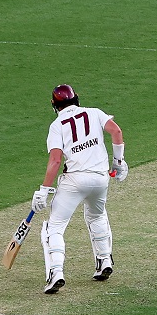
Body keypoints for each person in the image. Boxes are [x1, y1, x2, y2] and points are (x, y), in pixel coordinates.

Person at [31, 84, 126, 294]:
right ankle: (104, 260)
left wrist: (44, 190)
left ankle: (56, 273)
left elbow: (55, 161)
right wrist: (118, 162)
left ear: (54, 104)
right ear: (76, 99)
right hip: (100, 179)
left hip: (74, 180)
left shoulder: (57, 125)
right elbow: (116, 131)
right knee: (97, 216)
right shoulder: (95, 112)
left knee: (54, 227)